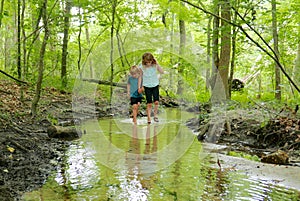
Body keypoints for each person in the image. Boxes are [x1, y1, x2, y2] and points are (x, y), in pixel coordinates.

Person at [139, 52, 164, 124]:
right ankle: (149, 117)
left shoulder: (155, 65)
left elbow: (162, 72)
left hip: (155, 85)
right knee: (149, 103)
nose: (148, 64)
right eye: (147, 62)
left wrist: (157, 64)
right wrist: (140, 87)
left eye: (150, 62)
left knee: (156, 102)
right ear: (144, 61)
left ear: (152, 60)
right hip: (147, 86)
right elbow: (140, 77)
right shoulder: (141, 67)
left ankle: (155, 116)